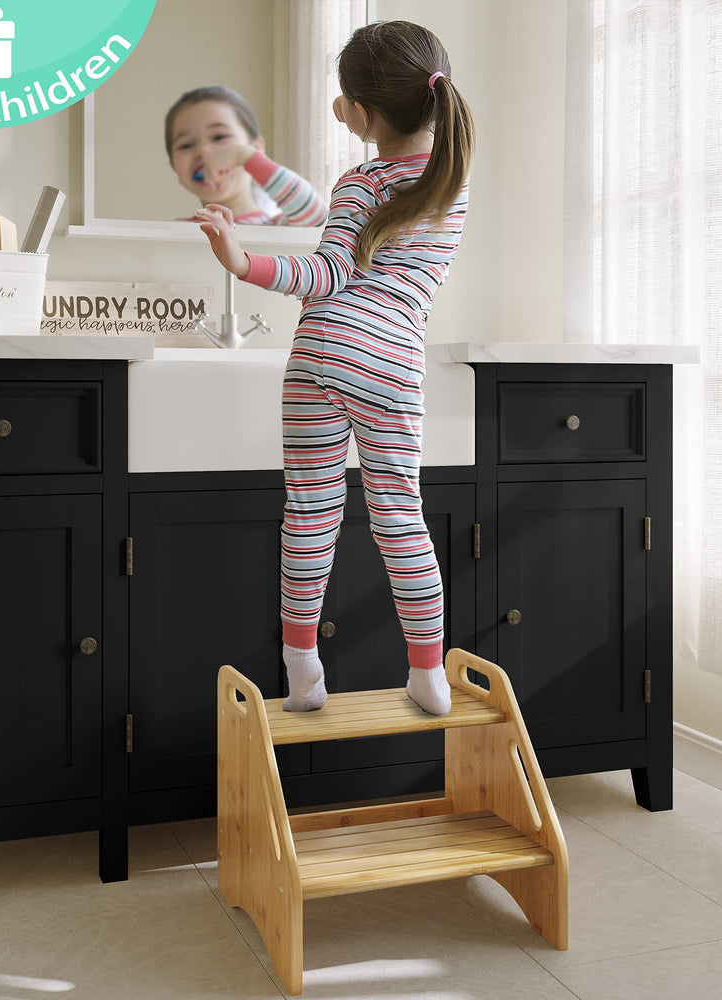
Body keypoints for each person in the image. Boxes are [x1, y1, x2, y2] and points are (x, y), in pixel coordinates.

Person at [196, 21, 474, 716]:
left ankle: (303, 675)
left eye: (342, 100)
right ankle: (426, 675)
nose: (335, 110)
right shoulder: (451, 180)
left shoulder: (363, 179)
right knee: (399, 518)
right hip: (388, 364)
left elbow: (324, 275)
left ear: (365, 113)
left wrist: (241, 261)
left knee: (310, 517)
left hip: (321, 355)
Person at [164, 85, 327, 226]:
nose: (203, 151)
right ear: (174, 167)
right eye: (185, 145)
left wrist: (247, 157)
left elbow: (318, 217)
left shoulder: (275, 227)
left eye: (220, 137)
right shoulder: (172, 233)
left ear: (255, 148)